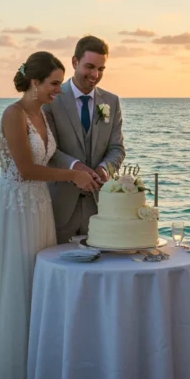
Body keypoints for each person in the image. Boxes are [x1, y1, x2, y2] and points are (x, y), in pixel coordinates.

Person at [0, 51, 99, 379]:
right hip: (13, 207)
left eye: (59, 83)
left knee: (33, 282)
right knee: (11, 285)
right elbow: (26, 170)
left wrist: (76, 169)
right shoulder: (13, 114)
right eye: (54, 83)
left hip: (39, 206)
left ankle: (36, 366)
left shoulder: (43, 113)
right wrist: (71, 177)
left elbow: (51, 155)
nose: (59, 89)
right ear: (34, 82)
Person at [44, 36, 126, 244]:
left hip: (99, 207)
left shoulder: (111, 101)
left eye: (101, 69)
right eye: (89, 67)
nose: (95, 75)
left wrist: (104, 169)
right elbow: (47, 149)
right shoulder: (51, 99)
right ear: (74, 62)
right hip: (59, 205)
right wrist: (75, 167)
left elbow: (117, 148)